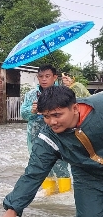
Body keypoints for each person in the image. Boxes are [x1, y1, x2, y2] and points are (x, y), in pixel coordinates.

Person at [0, 86, 103, 217]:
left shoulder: (99, 108)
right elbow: (34, 173)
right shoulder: (49, 138)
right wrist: (12, 210)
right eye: (46, 116)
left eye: (57, 115)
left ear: (75, 108)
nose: (52, 122)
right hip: (88, 175)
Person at [20, 64, 71, 194]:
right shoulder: (31, 95)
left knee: (61, 166)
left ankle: (65, 196)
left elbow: (74, 109)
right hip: (36, 138)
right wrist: (32, 111)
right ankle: (49, 197)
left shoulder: (62, 93)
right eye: (41, 76)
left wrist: (71, 87)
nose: (44, 79)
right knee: (42, 167)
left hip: (59, 136)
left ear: (54, 77)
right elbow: (23, 115)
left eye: (47, 76)